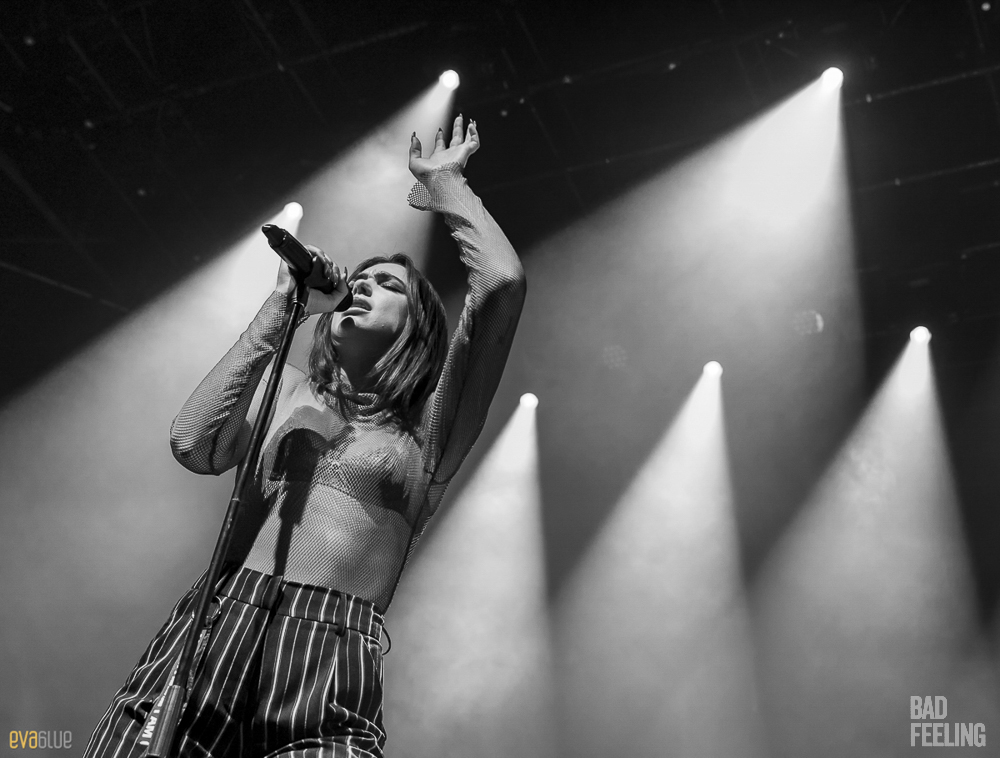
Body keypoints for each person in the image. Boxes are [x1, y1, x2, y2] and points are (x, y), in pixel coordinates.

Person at [84, 115, 526, 758]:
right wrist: (285, 304)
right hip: (219, 625)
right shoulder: (287, 390)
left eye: (387, 285)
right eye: (360, 279)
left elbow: (503, 283)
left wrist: (448, 188)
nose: (363, 287)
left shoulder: (432, 425)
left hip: (331, 660)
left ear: (420, 327)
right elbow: (192, 443)